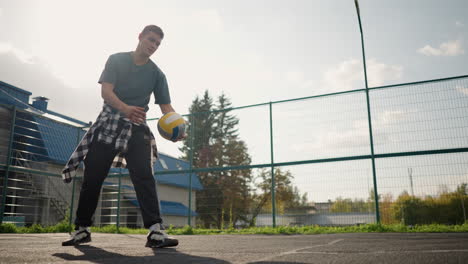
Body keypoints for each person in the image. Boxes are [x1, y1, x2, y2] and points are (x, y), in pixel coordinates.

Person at [61, 25, 184, 248]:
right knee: (93, 177)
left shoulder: (157, 74)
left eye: (157, 43)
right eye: (150, 39)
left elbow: (166, 107)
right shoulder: (116, 60)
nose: (153, 45)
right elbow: (106, 91)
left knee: (144, 175)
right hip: (108, 123)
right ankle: (82, 230)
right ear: (140, 37)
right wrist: (125, 108)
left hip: (136, 128)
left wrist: (178, 128)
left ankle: (156, 231)